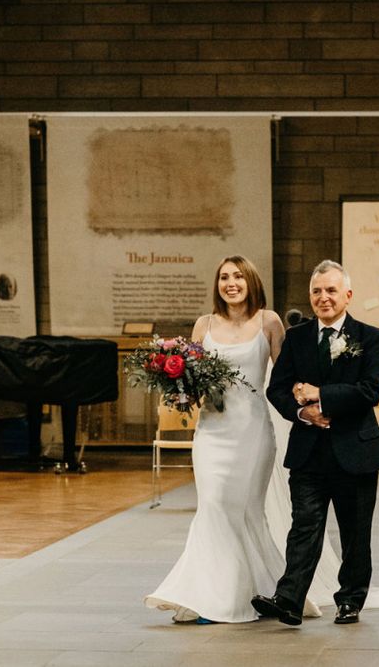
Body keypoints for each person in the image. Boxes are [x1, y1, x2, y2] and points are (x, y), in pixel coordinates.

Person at [144, 254, 288, 623]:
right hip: (212, 430)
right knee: (212, 506)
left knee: (245, 511)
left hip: (253, 431)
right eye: (224, 277)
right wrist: (176, 387)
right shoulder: (203, 324)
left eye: (238, 276)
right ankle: (211, 595)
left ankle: (259, 589)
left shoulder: (268, 321)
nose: (231, 283)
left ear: (251, 281)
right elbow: (190, 382)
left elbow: (285, 379)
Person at [253, 259, 379, 626]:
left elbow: (370, 391)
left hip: (355, 450)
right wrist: (303, 413)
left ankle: (350, 600)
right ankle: (289, 600)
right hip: (308, 450)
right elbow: (277, 389)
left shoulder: (369, 336)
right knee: (304, 527)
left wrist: (321, 394)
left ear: (348, 294)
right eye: (316, 291)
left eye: (331, 290)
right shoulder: (296, 337)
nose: (323, 298)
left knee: (355, 533)